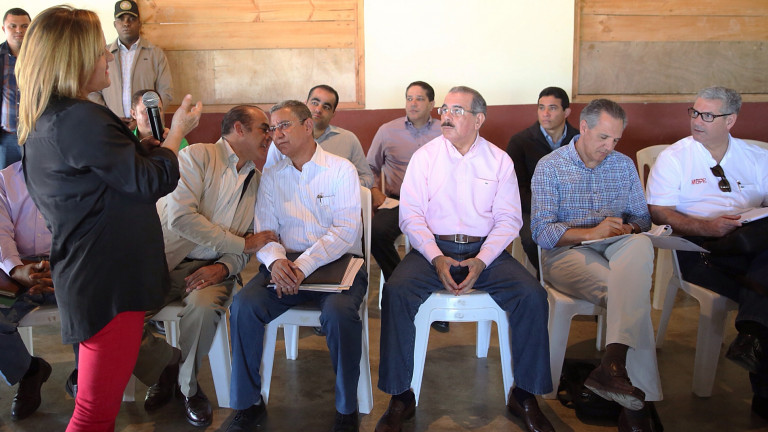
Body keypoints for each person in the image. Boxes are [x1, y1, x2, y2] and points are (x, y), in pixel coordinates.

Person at [16, 6, 201, 430]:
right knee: (93, 414)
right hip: (109, 277)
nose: (107, 58)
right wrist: (176, 133)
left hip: (92, 273)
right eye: (99, 50)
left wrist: (147, 147)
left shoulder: (50, 118)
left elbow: (106, 177)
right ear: (74, 58)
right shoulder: (81, 117)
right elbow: (148, 182)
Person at [376, 86, 554, 432]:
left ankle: (525, 395)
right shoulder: (425, 158)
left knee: (532, 295)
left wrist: (483, 260)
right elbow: (411, 217)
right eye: (444, 109)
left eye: (456, 111)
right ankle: (401, 396)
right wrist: (436, 257)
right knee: (396, 292)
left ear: (478, 119)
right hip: (432, 249)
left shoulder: (499, 160)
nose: (446, 116)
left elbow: (508, 220)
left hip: (485, 252)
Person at [226, 100, 366, 432]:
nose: (276, 134)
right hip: (285, 267)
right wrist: (276, 261)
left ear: (307, 125)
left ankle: (347, 408)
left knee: (339, 315)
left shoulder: (340, 169)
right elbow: (266, 229)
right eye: (272, 128)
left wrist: (302, 265)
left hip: (337, 263)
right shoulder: (272, 176)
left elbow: (345, 231)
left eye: (284, 126)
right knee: (244, 306)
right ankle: (247, 403)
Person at [134, 105, 276, 427]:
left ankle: (188, 388)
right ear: (239, 129)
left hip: (213, 269)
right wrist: (241, 245)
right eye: (263, 128)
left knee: (203, 308)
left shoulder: (258, 182)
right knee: (121, 316)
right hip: (163, 264)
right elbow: (181, 218)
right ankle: (164, 369)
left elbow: (253, 242)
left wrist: (224, 268)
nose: (269, 136)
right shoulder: (196, 157)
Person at [531, 99, 663, 431]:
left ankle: (612, 368)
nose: (610, 146)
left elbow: (642, 219)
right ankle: (637, 408)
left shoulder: (623, 165)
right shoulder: (550, 166)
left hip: (615, 245)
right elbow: (541, 232)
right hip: (566, 252)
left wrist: (628, 228)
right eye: (604, 137)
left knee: (641, 244)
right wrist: (591, 232)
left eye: (616, 139)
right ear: (584, 127)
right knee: (630, 295)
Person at [646, 86, 768, 419]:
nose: (697, 121)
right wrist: (708, 227)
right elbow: (659, 212)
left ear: (731, 120)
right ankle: (758, 362)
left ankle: (753, 335)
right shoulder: (675, 157)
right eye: (695, 112)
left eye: (708, 115)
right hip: (700, 248)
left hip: (750, 245)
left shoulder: (756, 157)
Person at [366, 81, 449, 333]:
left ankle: (438, 301)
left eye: (419, 99)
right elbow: (369, 167)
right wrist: (375, 190)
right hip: (398, 202)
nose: (413, 103)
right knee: (375, 233)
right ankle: (403, 287)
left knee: (446, 239)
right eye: (409, 98)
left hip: (437, 204)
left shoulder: (445, 130)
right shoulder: (387, 131)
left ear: (432, 104)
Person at [0, 161, 54, 420]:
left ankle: (84, 378)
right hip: (17, 269)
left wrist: (64, 266)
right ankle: (29, 371)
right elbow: (1, 233)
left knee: (95, 309)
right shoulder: (5, 179)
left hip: (69, 267)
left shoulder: (82, 173)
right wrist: (16, 269)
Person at [507, 86, 579, 270]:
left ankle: (570, 274)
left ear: (566, 112)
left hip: (572, 207)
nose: (545, 113)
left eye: (552, 108)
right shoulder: (520, 142)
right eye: (541, 107)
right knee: (532, 238)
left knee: (585, 236)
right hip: (532, 209)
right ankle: (547, 276)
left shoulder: (579, 141)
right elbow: (515, 188)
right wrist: (544, 207)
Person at [265, 84, 373, 188]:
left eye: (326, 107)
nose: (318, 109)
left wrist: (342, 185)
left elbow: (367, 177)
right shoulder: (282, 140)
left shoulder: (348, 139)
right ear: (305, 104)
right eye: (314, 103)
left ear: (333, 113)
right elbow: (269, 177)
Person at [88, 0, 173, 130]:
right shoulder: (102, 55)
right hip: (112, 127)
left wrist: (142, 119)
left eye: (131, 18)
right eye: (121, 19)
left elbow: (166, 92)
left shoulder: (155, 54)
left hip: (147, 129)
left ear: (139, 23)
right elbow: (93, 92)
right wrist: (110, 117)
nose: (126, 23)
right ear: (115, 24)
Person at [0, 8, 30, 168]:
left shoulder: (41, 58)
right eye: (13, 26)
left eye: (24, 26)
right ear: (4, 28)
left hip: (35, 136)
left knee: (34, 180)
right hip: (6, 138)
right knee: (5, 180)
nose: (19, 30)